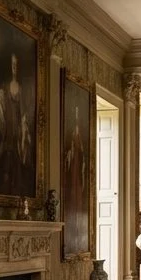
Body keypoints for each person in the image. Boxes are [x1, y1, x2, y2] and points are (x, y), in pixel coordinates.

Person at [0, 53, 33, 196]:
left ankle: (15, 188)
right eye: (12, 64)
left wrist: (24, 128)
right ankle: (4, 188)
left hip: (17, 128)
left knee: (17, 158)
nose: (14, 67)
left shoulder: (21, 88)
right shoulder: (5, 87)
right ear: (9, 66)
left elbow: (23, 111)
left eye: (16, 65)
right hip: (8, 125)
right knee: (5, 154)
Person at [63, 103, 87, 251]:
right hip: (72, 177)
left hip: (76, 178)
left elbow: (82, 157)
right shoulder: (70, 145)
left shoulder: (79, 147)